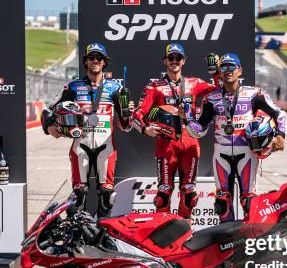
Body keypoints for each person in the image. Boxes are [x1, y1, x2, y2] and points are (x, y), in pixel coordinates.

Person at [187, 53, 287, 222]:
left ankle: (250, 241)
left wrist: (280, 135)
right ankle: (228, 243)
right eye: (224, 67)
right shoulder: (211, 98)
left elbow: (281, 114)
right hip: (221, 154)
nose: (228, 71)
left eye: (231, 67)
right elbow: (201, 128)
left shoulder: (254, 94)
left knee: (249, 201)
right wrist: (188, 122)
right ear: (220, 71)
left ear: (239, 71)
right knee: (222, 203)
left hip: (247, 153)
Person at [42, 42, 134, 218]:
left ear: (104, 62)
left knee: (108, 195)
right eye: (91, 57)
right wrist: (49, 126)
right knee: (78, 195)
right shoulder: (74, 87)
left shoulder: (116, 88)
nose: (95, 61)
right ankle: (77, 239)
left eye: (99, 58)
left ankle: (103, 236)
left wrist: (128, 113)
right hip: (80, 146)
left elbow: (126, 126)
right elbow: (48, 109)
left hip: (106, 146)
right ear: (85, 61)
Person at [133, 43, 220, 220]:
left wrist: (215, 73)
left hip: (190, 142)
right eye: (171, 58)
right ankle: (163, 233)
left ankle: (185, 231)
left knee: (190, 194)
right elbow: (138, 113)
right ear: (165, 61)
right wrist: (145, 129)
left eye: (178, 58)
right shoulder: (155, 87)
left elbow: (220, 91)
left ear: (184, 61)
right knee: (163, 194)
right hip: (166, 144)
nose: (174, 61)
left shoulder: (194, 83)